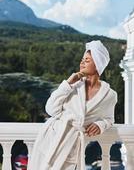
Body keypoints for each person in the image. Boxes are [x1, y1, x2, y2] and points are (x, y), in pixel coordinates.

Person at [28, 40, 117, 170]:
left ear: (98, 64)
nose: (82, 63)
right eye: (82, 59)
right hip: (52, 138)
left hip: (73, 144)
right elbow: (51, 109)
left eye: (87, 60)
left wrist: (100, 125)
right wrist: (67, 84)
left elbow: (109, 119)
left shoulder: (109, 95)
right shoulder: (73, 85)